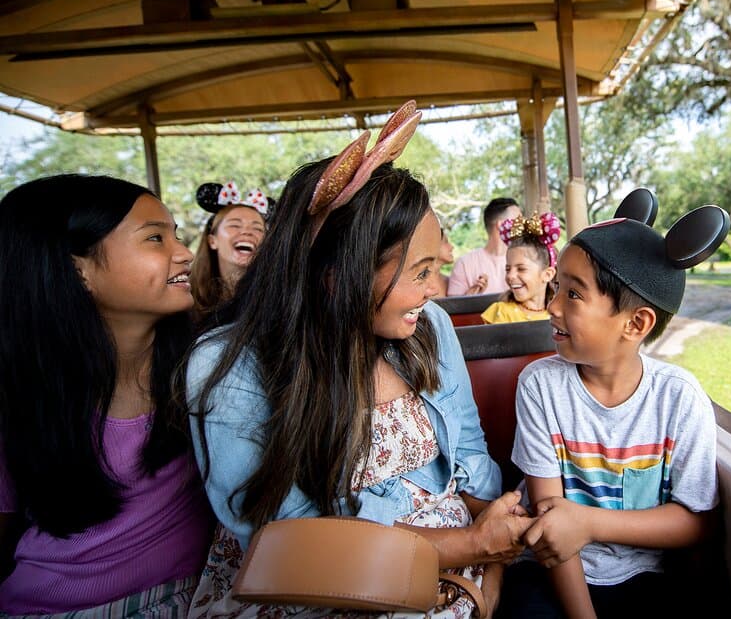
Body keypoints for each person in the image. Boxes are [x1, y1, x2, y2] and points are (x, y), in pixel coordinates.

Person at [182, 102, 533, 616]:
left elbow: (470, 455)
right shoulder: (230, 369)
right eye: (419, 272)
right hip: (320, 579)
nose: (434, 289)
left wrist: (494, 550)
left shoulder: (428, 328)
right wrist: (471, 548)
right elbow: (291, 536)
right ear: (338, 277)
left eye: (436, 267)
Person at [501, 197, 730, 618]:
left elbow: (696, 521)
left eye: (573, 294)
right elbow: (551, 522)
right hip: (550, 571)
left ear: (636, 324)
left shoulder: (678, 397)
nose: (552, 306)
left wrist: (588, 523)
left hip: (642, 577)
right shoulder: (540, 386)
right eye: (557, 289)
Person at [0, 174, 214, 615]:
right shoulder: (16, 394)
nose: (185, 252)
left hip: (193, 595)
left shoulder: (205, 368)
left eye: (175, 233)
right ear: (79, 271)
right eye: (155, 238)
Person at [191, 181, 274, 323]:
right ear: (212, 240)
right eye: (235, 225)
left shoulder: (278, 297)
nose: (247, 232)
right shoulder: (187, 300)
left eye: (257, 228)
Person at [480, 212, 561, 324]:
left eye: (521, 269)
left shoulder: (560, 314)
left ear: (547, 275)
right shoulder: (501, 313)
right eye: (508, 269)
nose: (510, 276)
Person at [448, 197, 521, 296]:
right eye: (518, 221)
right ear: (501, 225)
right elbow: (453, 308)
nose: (523, 226)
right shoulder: (464, 264)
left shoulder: (525, 262)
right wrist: (471, 295)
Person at [428, 222, 456, 297]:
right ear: (433, 245)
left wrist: (469, 295)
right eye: (446, 242)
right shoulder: (419, 282)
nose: (452, 247)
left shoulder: (449, 281)